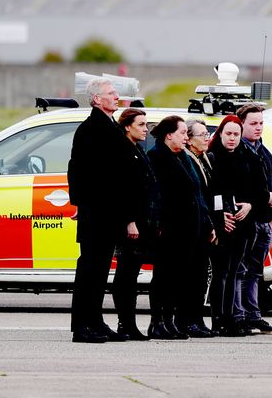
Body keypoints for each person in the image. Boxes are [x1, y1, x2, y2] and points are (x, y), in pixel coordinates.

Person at [67, 78, 133, 344]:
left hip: (108, 213)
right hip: (97, 214)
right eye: (111, 93)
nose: (117, 96)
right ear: (96, 99)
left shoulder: (109, 126)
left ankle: (96, 321)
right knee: (90, 272)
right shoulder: (91, 129)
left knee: (99, 272)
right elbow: (78, 171)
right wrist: (82, 205)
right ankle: (82, 327)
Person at [147, 115, 216, 340]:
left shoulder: (183, 158)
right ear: (169, 135)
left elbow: (197, 194)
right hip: (170, 229)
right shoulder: (157, 156)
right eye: (182, 133)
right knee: (164, 278)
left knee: (178, 278)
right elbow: (156, 194)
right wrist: (158, 223)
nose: (186, 137)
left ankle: (170, 320)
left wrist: (206, 223)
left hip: (189, 229)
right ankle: (158, 322)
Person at [206, 114, 262, 336]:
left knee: (234, 271)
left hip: (243, 223)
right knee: (220, 272)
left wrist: (250, 205)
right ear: (220, 134)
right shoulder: (212, 157)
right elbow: (211, 191)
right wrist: (221, 216)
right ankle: (217, 319)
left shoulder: (248, 156)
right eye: (228, 134)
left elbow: (260, 190)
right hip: (223, 223)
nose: (232, 139)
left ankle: (231, 319)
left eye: (236, 135)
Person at [234, 104, 272, 334]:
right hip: (247, 222)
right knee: (240, 270)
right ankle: (239, 316)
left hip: (265, 221)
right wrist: (266, 197)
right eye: (253, 123)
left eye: (261, 123)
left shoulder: (264, 151)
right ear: (241, 123)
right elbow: (244, 188)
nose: (258, 128)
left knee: (256, 272)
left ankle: (253, 315)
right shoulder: (238, 152)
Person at [112, 108, 161, 341]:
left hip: (144, 221)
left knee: (131, 274)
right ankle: (125, 323)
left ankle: (129, 323)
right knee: (126, 276)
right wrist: (129, 221)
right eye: (141, 125)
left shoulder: (137, 149)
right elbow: (123, 190)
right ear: (127, 126)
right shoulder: (122, 150)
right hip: (131, 223)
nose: (145, 129)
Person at [182, 119, 220, 337]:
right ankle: (189, 320)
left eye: (207, 134)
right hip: (196, 224)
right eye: (202, 135)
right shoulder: (188, 160)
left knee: (201, 275)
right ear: (189, 139)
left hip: (207, 223)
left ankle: (197, 319)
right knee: (192, 276)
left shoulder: (204, 158)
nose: (207, 138)